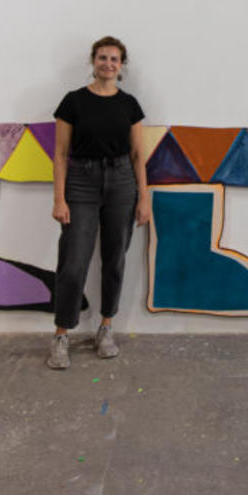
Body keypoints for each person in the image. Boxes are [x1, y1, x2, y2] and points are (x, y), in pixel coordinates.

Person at [47, 36, 151, 369]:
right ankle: (61, 334)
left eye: (114, 59)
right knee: (73, 262)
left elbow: (137, 155)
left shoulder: (129, 105)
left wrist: (143, 197)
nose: (108, 64)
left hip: (122, 182)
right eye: (103, 57)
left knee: (114, 258)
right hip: (81, 182)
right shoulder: (73, 102)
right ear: (93, 61)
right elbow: (61, 154)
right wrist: (59, 197)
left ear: (122, 66)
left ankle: (106, 328)